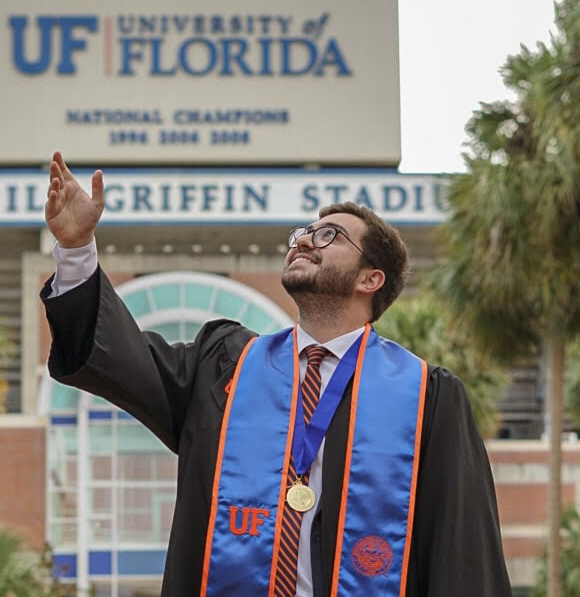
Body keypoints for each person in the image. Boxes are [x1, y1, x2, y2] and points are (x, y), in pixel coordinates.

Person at [41, 151, 512, 597]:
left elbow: (463, 552)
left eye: (329, 236)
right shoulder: (224, 367)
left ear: (371, 279)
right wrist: (77, 248)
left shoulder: (425, 397)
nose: (305, 239)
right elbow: (123, 360)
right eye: (303, 232)